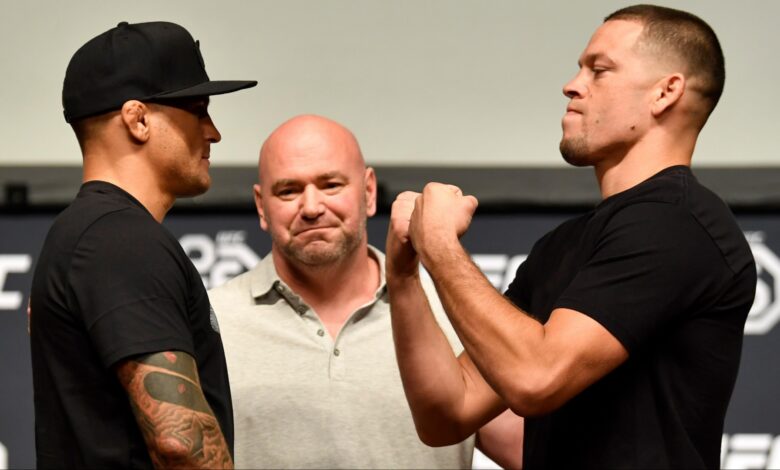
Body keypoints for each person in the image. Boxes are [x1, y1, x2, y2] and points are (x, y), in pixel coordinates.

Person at [386, 4, 756, 469]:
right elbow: (447, 413)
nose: (572, 84)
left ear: (665, 92)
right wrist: (403, 277)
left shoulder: (678, 223)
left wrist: (440, 245)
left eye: (599, 70)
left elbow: (536, 376)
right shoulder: (562, 246)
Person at [207, 114, 523, 469]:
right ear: (261, 205)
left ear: (368, 191)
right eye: (289, 190)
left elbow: (532, 450)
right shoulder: (211, 321)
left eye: (331, 185)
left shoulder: (448, 311)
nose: (311, 207)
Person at [29, 21, 256, 469]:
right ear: (138, 119)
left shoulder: (91, 233)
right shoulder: (119, 240)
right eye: (198, 109)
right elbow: (181, 442)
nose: (213, 132)